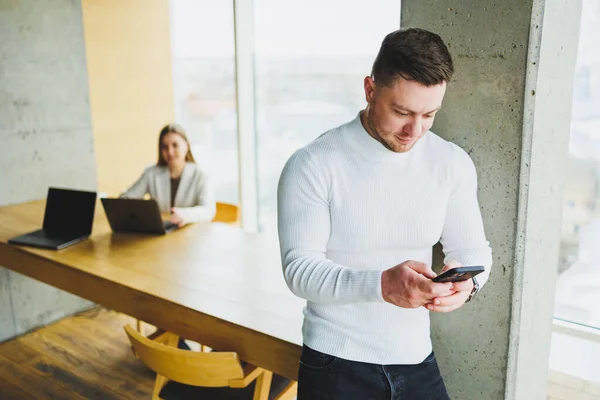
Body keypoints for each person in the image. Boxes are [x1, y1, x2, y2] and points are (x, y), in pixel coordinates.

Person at [277, 28, 493, 399]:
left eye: (430, 114)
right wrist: (382, 285)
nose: (415, 130)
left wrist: (467, 286)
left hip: (416, 358)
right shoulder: (312, 164)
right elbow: (300, 271)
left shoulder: (452, 163)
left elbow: (474, 252)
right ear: (369, 89)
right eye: (401, 112)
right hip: (334, 364)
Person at [121, 123, 216, 227]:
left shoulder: (200, 175)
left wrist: (186, 214)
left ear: (187, 146)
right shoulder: (151, 173)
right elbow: (125, 199)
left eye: (175, 145)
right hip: (161, 234)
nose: (170, 152)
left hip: (190, 234)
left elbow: (209, 210)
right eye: (165, 147)